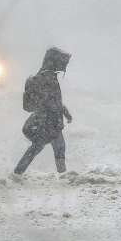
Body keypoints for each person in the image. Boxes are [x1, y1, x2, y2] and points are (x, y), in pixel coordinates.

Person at [11, 47, 73, 180]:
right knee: (53, 147)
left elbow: (53, 100)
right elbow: (51, 101)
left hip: (49, 118)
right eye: (61, 61)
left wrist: (64, 112)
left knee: (42, 146)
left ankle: (18, 172)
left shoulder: (46, 74)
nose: (63, 65)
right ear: (53, 60)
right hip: (49, 119)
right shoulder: (47, 77)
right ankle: (62, 174)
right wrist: (64, 112)